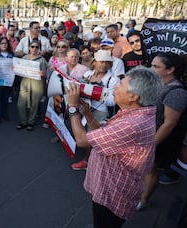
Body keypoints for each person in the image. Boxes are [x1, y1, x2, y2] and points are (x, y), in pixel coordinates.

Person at [66, 66, 162, 227]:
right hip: (112, 190)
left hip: (112, 197)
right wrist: (88, 114)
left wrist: (73, 107)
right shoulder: (137, 113)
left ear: (133, 96)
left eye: (120, 85)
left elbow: (82, 140)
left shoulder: (131, 124)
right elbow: (103, 135)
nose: (115, 87)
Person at [138, 53, 187, 210]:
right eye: (152, 65)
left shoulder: (177, 92)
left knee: (151, 168)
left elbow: (169, 123)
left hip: (159, 138)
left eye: (156, 66)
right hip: (147, 132)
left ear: (170, 70)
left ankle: (144, 200)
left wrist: (150, 145)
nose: (151, 69)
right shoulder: (158, 84)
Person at [71, 50, 120, 171]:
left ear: (110, 64)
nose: (103, 65)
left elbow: (113, 101)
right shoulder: (87, 74)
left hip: (100, 112)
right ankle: (90, 161)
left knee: (92, 139)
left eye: (106, 62)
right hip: (85, 108)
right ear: (95, 62)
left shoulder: (113, 80)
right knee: (84, 135)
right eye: (100, 62)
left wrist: (94, 92)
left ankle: (88, 162)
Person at [16, 39, 47, 131]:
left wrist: (42, 74)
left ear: (39, 49)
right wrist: (15, 68)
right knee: (21, 104)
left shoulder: (42, 60)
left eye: (36, 47)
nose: (34, 48)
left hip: (37, 83)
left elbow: (45, 74)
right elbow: (19, 70)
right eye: (32, 46)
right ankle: (23, 121)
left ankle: (31, 122)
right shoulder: (25, 58)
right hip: (25, 82)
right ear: (29, 48)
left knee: (34, 104)